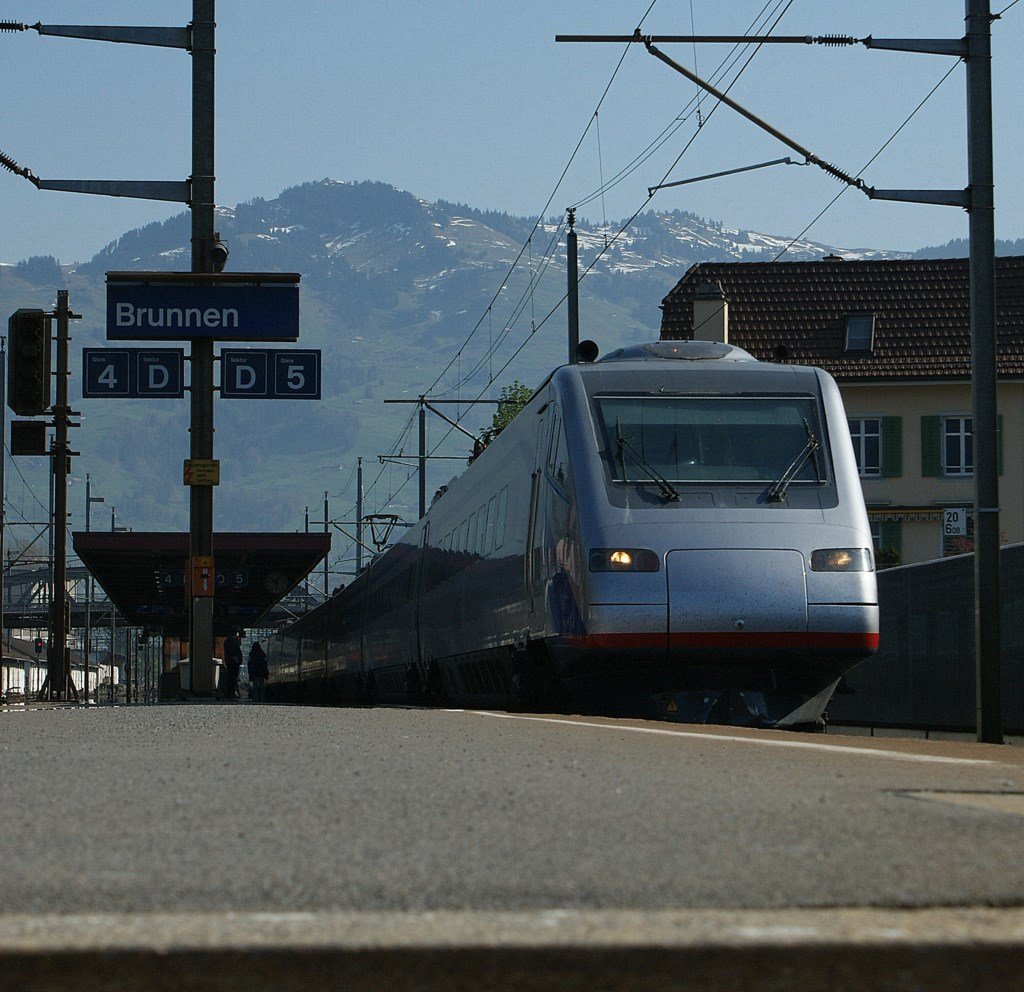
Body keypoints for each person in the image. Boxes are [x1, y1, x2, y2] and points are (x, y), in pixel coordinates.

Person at [222, 630, 244, 701]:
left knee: (230, 678)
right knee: (233, 679)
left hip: (229, 662)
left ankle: (229, 693)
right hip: (233, 663)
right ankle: (231, 693)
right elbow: (234, 652)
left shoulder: (226, 641)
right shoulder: (232, 641)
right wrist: (237, 660)